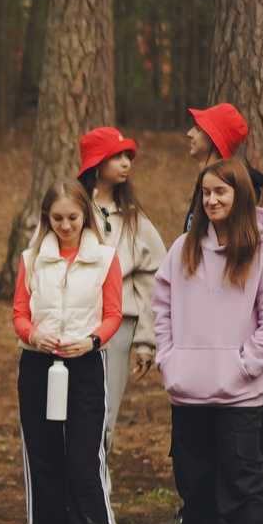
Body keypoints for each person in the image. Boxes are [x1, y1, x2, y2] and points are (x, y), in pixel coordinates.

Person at [152, 159, 263, 524]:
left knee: (242, 477)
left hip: (239, 393)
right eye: (206, 192)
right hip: (188, 389)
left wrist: (244, 367)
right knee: (195, 479)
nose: (211, 200)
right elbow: (162, 306)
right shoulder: (182, 249)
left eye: (221, 193)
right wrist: (168, 359)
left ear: (240, 196)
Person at [15, 180, 122, 524]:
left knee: (82, 458)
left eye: (72, 218)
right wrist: (31, 334)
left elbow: (113, 312)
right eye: (56, 219)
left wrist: (92, 340)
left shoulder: (105, 258)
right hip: (38, 365)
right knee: (42, 457)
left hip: (85, 366)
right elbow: (19, 311)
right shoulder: (31, 259)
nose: (64, 226)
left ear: (86, 216)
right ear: (47, 219)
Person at [75, 128, 168, 484]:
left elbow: (153, 280)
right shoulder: (69, 208)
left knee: (104, 412)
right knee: (65, 411)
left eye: (128, 156)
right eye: (117, 156)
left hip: (118, 328)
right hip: (70, 324)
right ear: (96, 164)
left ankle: (97, 497)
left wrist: (146, 341)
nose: (126, 163)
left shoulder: (133, 219)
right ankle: (70, 494)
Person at [179, 104, 263, 240]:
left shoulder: (231, 198)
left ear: (215, 140)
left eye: (198, 129)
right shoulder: (204, 185)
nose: (189, 134)